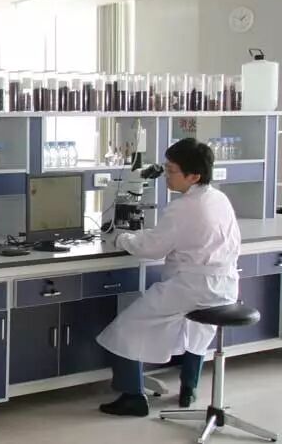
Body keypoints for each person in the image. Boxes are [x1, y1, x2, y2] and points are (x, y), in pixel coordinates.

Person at [96, 138, 240, 417]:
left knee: (126, 328)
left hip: (192, 287)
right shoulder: (218, 198)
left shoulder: (184, 207)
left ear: (194, 176)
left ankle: (132, 397)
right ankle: (189, 388)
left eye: (172, 170)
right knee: (196, 332)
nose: (166, 176)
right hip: (224, 286)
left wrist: (122, 238)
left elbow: (153, 248)